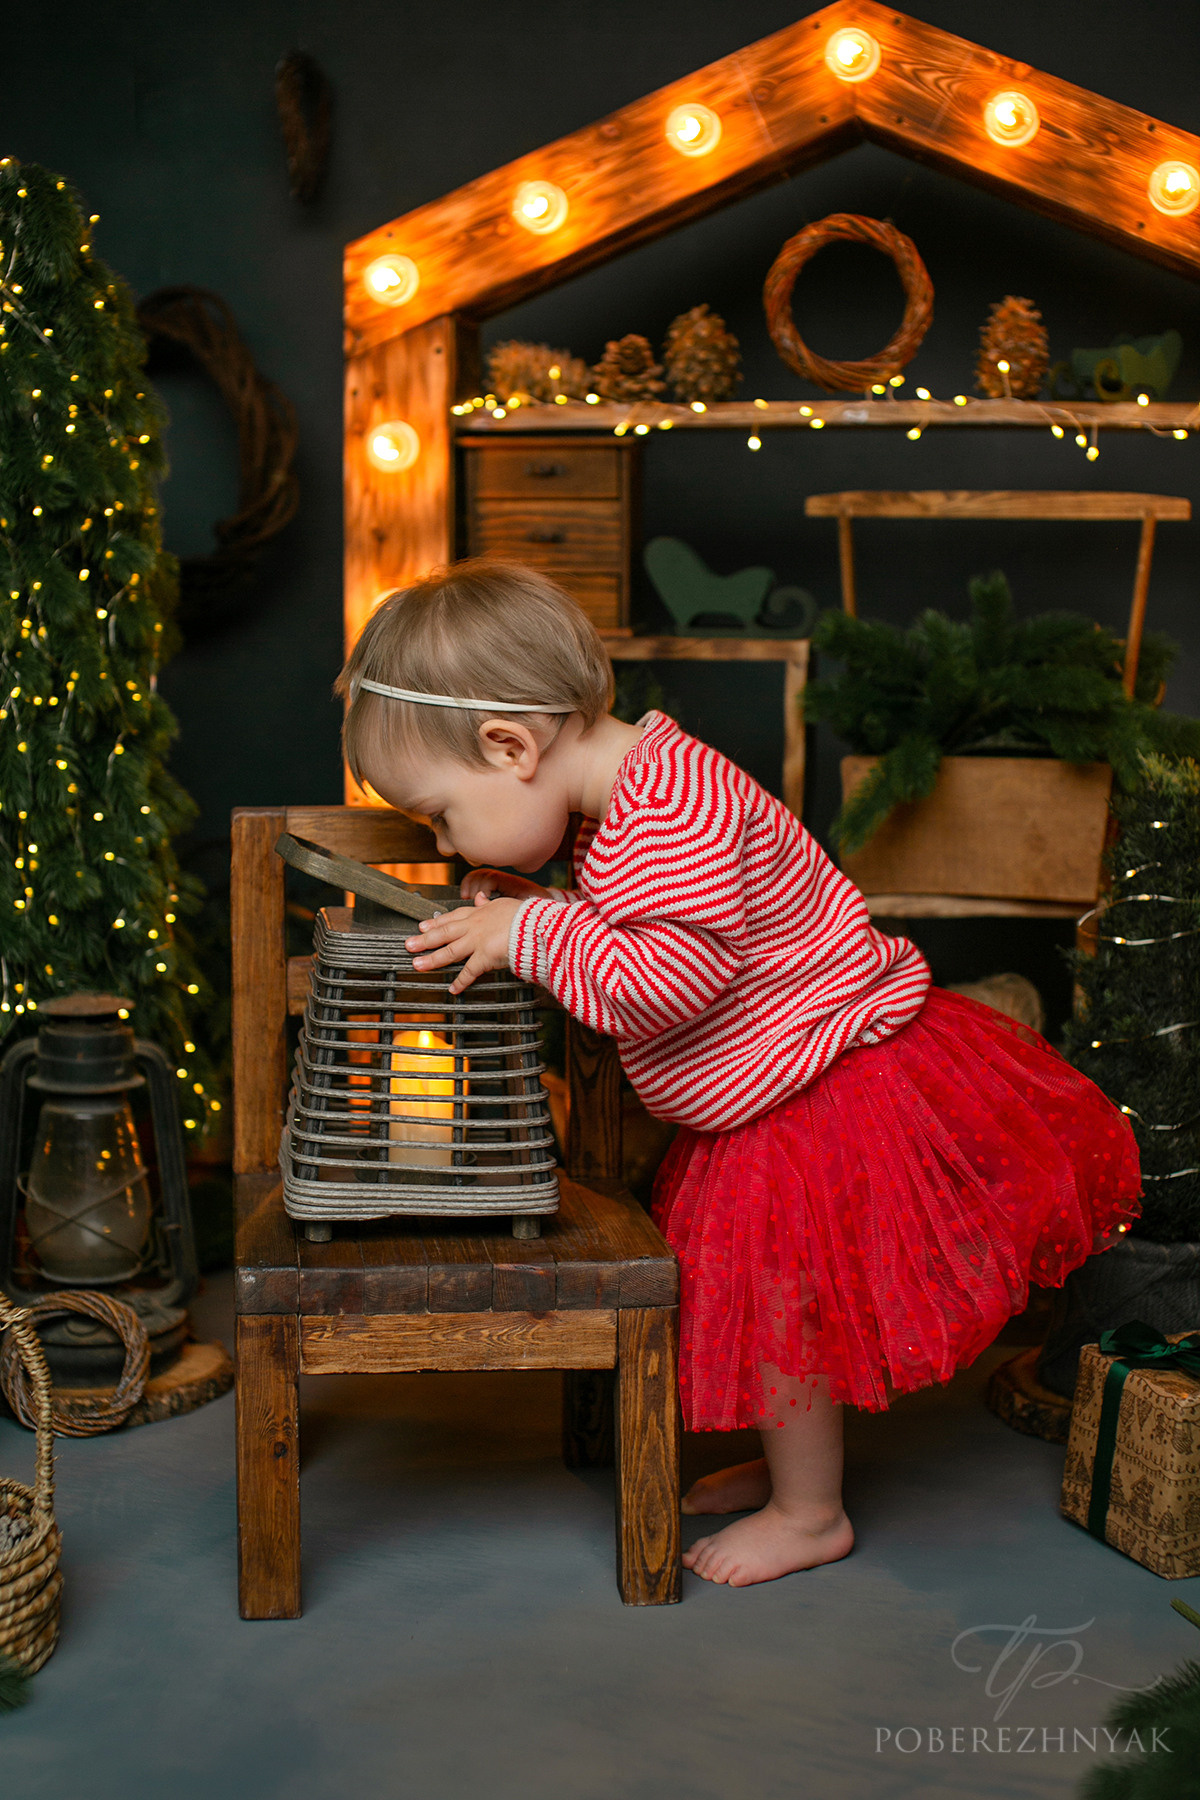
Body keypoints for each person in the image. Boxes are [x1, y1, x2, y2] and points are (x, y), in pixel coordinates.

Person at [336, 558, 1141, 1588]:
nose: (441, 840)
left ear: (511, 746)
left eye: (440, 814)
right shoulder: (635, 794)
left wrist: (533, 929)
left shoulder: (670, 810)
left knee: (779, 1300)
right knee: (778, 1309)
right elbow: (648, 922)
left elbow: (663, 979)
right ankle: (789, 1467)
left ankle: (811, 1514)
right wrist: (534, 901)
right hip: (786, 1074)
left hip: (822, 1088)